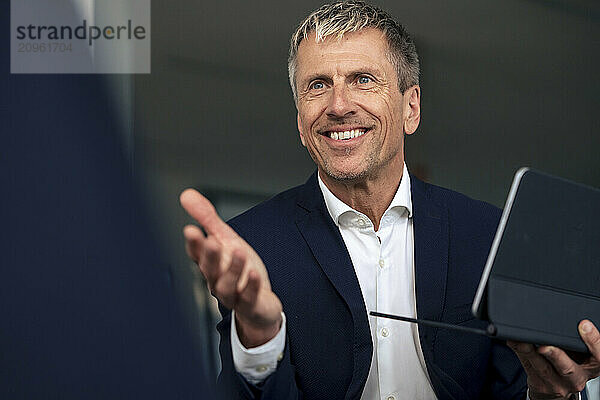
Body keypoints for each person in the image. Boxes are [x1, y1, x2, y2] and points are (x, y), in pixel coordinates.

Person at [180, 1, 600, 399]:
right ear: (300, 121)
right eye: (318, 85)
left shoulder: (487, 234)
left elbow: (519, 387)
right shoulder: (252, 243)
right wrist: (260, 337)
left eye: (363, 79)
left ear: (410, 108)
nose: (338, 105)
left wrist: (550, 393)